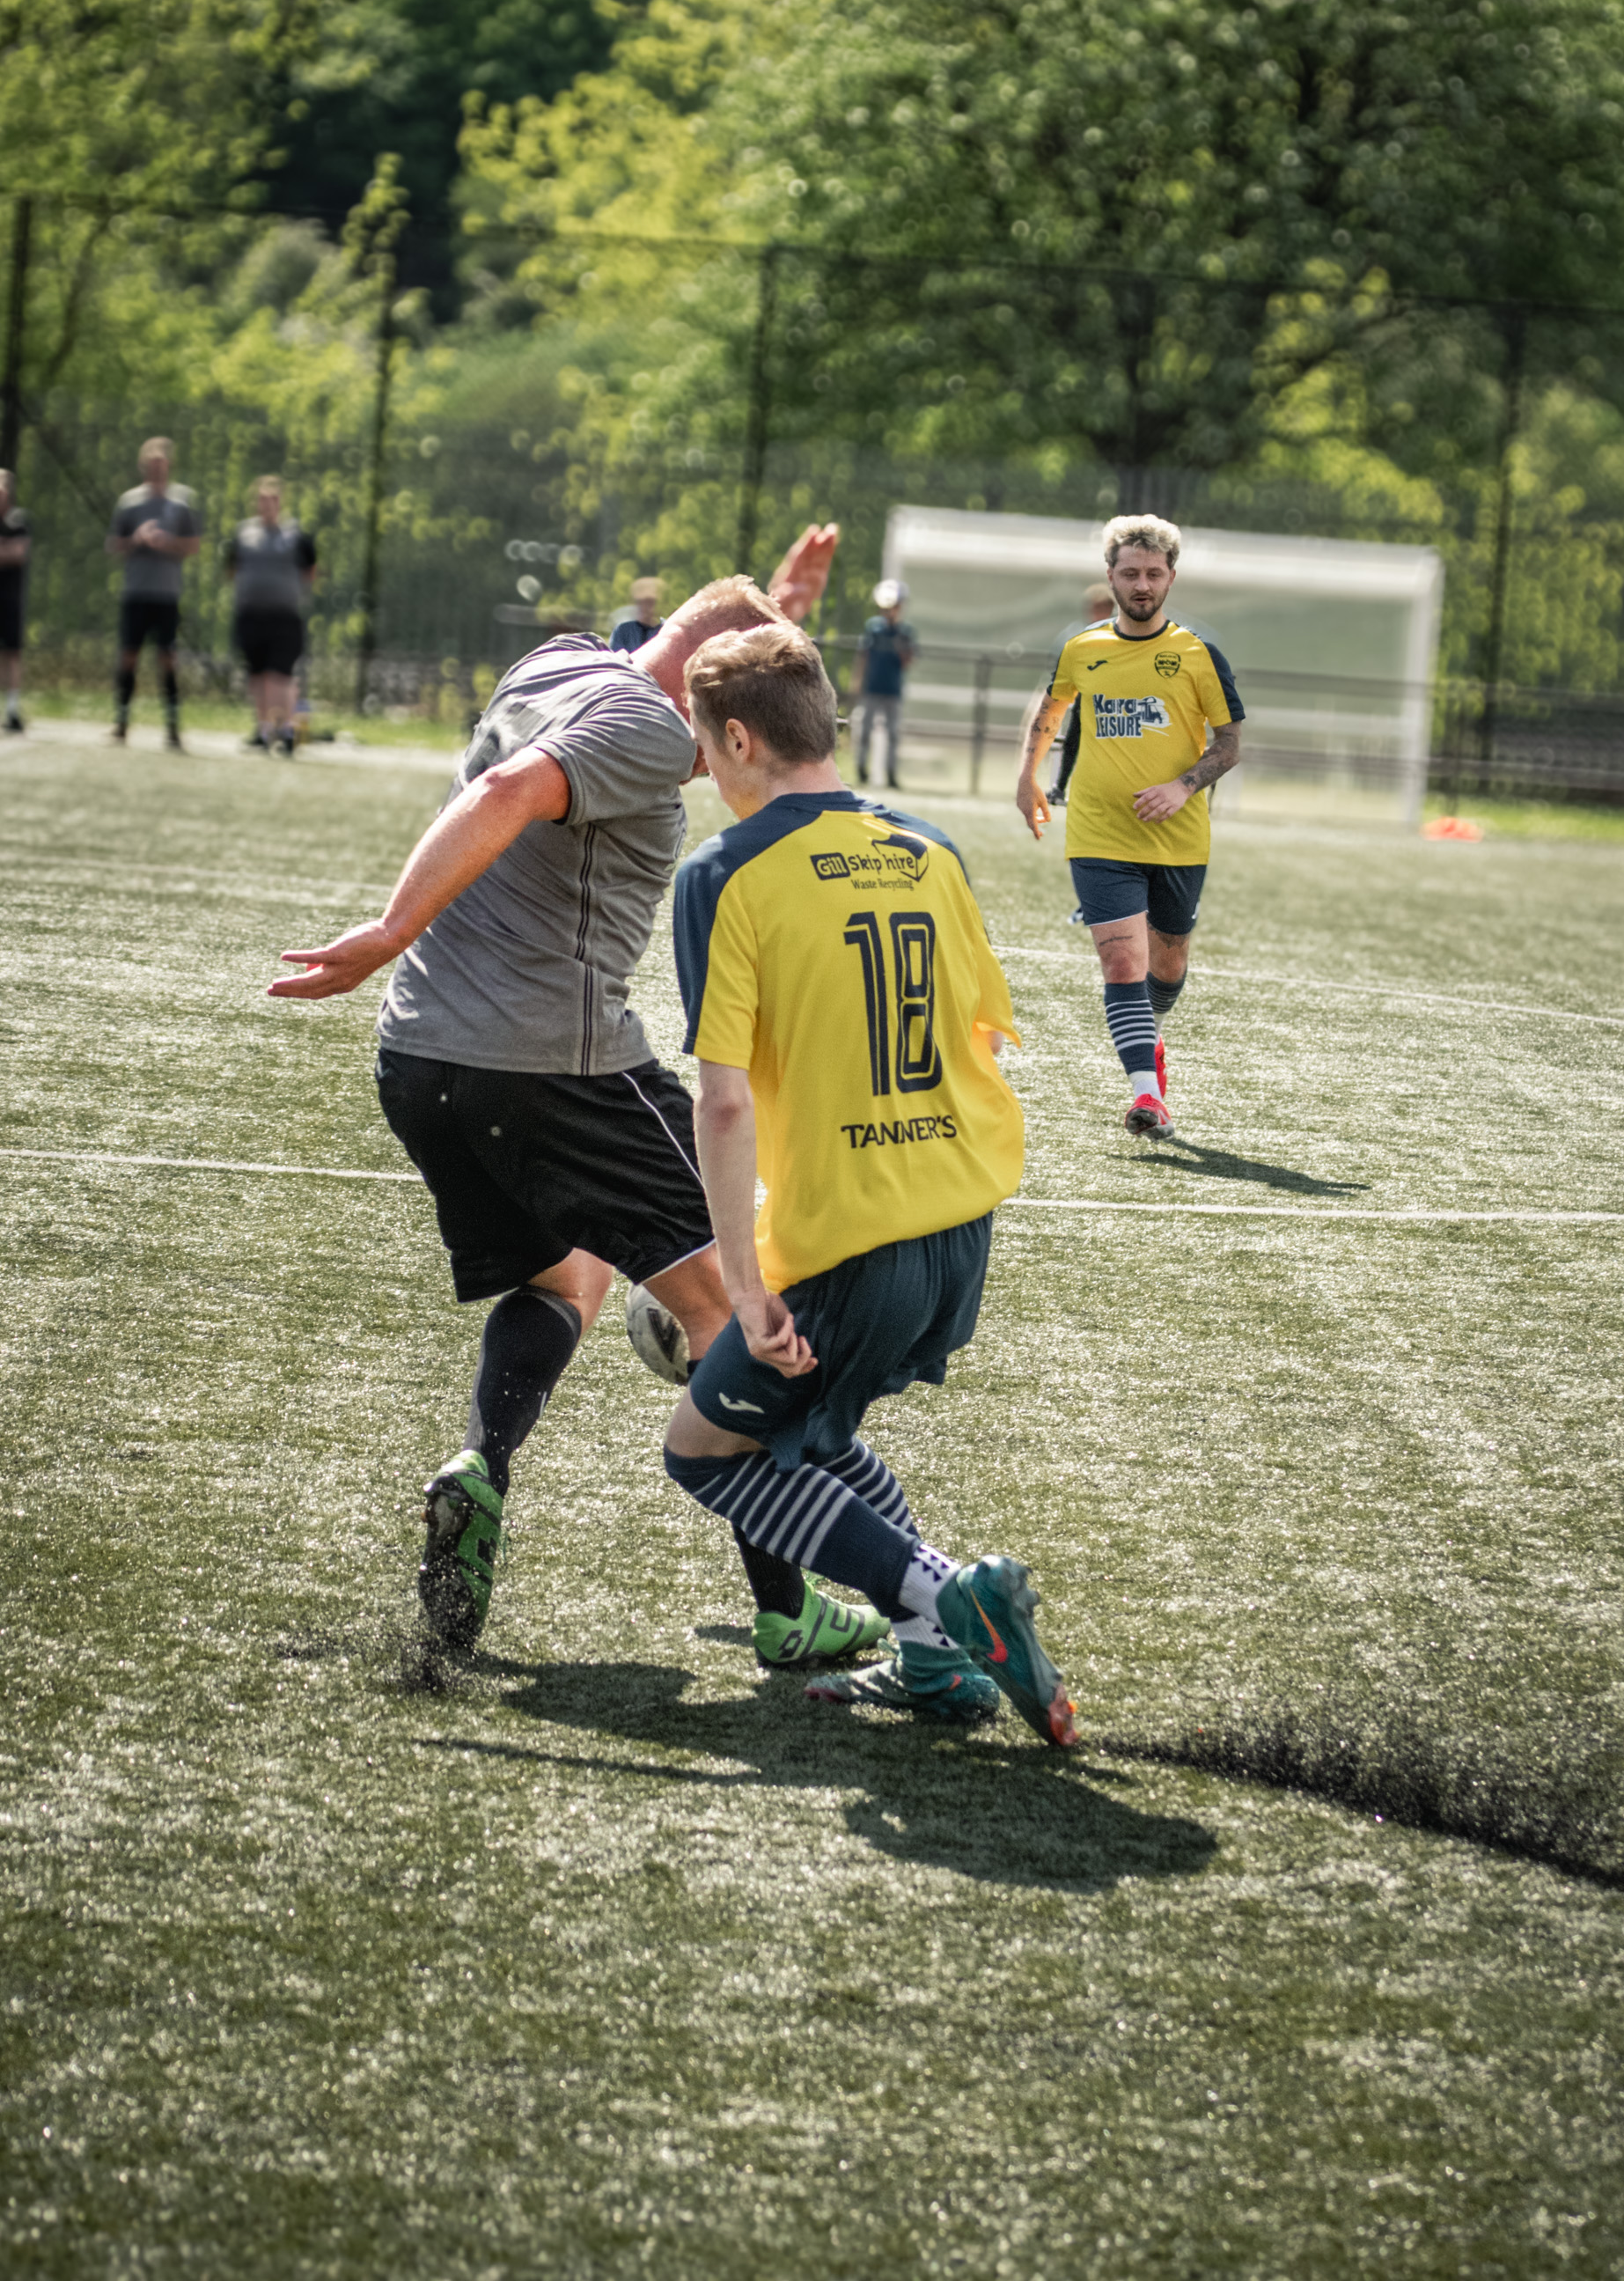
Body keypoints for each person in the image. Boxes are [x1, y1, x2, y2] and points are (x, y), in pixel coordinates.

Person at [266, 531, 888, 1676]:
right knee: (726, 1305)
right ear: (709, 700)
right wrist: (385, 929)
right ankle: (789, 1608)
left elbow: (663, 653)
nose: (726, 759)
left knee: (566, 1276)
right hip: (551, 1062)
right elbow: (515, 787)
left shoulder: (558, 663)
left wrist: (776, 614)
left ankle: (480, 1469)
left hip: (422, 1059)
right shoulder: (652, 729)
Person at [664, 620, 1077, 1746]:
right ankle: (938, 1666)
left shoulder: (724, 874)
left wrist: (744, 1284)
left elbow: (726, 1100)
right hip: (958, 1226)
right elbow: (980, 1040)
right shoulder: (928, 849)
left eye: (704, 746)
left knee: (702, 1452)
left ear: (739, 738)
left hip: (853, 1244)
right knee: (817, 1430)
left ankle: (947, 1603)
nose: (702, 767)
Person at [1015, 514, 1243, 1140]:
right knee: (1121, 964)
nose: (1141, 585)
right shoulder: (1082, 648)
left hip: (1179, 839)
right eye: (1130, 573)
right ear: (1110, 576)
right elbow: (1051, 707)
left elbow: (1229, 746)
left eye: (1153, 574)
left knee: (1166, 965)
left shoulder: (1199, 654)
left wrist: (1182, 787)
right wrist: (1026, 775)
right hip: (1097, 832)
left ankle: (1152, 1039)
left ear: (1171, 577)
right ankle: (1147, 1097)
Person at [107, 437, 202, 751]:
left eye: (162, 465)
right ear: (143, 466)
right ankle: (121, 723)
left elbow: (193, 545)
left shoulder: (182, 502)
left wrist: (167, 542)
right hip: (136, 590)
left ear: (169, 466)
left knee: (168, 658)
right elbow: (114, 545)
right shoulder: (129, 502)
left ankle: (173, 727)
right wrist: (137, 539)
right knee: (129, 655)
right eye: (151, 464)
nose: (157, 470)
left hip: (166, 593)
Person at [228, 476, 317, 756]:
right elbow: (231, 568)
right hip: (251, 614)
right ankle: (264, 731)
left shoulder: (295, 535)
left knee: (281, 674)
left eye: (273, 500)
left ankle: (287, 730)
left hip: (284, 616)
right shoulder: (244, 534)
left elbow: (310, 569)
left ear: (280, 502)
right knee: (257, 674)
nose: (267, 505)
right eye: (262, 500)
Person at [1044, 581, 1114, 808]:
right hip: (1084, 697)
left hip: (1110, 701)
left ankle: (1105, 790)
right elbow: (1061, 665)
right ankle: (1060, 786)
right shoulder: (1078, 634)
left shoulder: (1118, 632)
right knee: (1072, 741)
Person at [850, 577, 915, 789]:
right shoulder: (873, 628)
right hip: (872, 688)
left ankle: (891, 773)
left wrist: (899, 644)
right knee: (865, 731)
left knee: (893, 734)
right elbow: (863, 656)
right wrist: (857, 682)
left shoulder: (905, 632)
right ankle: (861, 770)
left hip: (892, 690)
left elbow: (908, 662)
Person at [0, 470, 31, 733]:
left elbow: (17, 554)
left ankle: (12, 709)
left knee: (12, 654)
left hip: (9, 598)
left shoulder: (17, 520)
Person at [609, 578, 665, 654]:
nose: (645, 606)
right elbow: (615, 660)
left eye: (650, 601)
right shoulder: (623, 630)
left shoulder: (668, 629)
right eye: (640, 602)